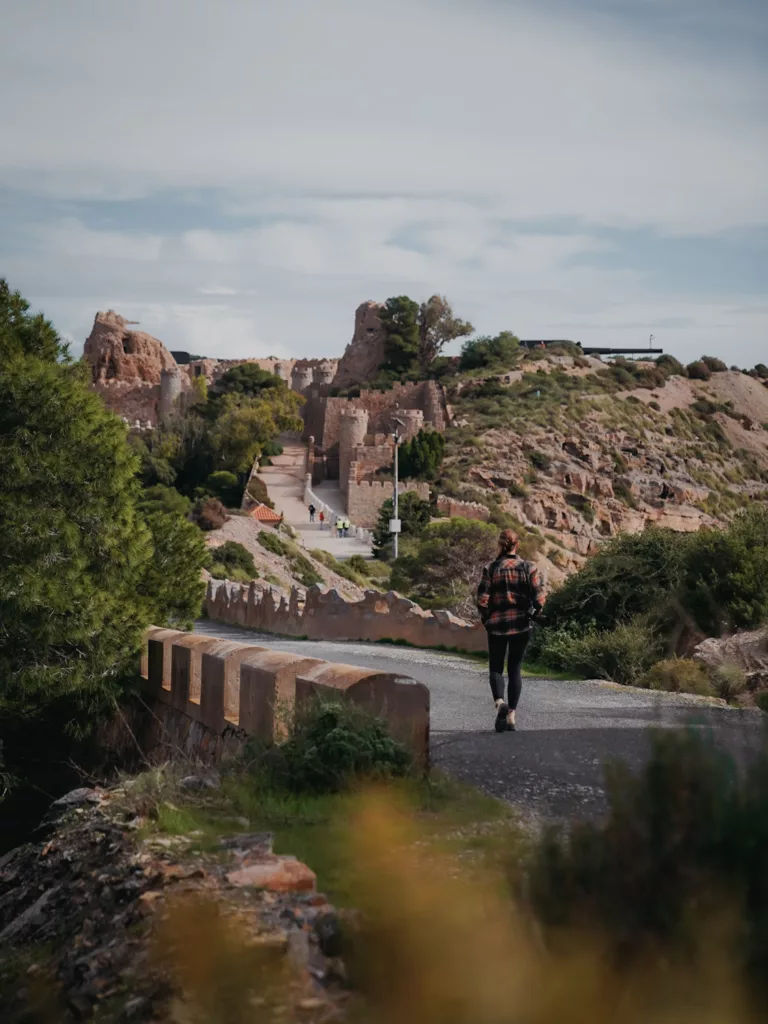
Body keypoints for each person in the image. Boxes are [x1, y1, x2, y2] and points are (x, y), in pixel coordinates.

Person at [476, 529, 545, 733]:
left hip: (496, 625)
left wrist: (486, 618)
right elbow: (540, 598)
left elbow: (482, 599)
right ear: (518, 545)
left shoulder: (491, 568)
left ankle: (499, 703)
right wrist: (534, 612)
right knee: (515, 668)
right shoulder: (528, 567)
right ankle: (512, 716)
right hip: (522, 624)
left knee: (496, 667)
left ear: (500, 545)